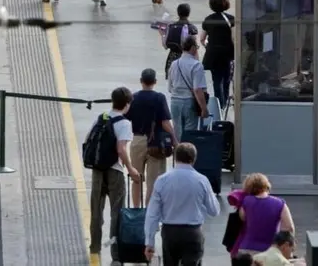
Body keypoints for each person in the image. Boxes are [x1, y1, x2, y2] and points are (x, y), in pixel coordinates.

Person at [143, 142, 220, 265]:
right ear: (194, 159)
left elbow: (152, 214)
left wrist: (149, 242)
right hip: (193, 232)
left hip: (170, 233)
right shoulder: (202, 180)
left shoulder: (162, 180)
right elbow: (214, 210)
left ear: (175, 157)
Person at [88, 87, 139, 260]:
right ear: (127, 104)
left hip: (97, 171)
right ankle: (115, 253)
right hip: (115, 171)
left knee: (96, 210)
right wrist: (131, 169)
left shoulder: (101, 118)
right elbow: (121, 149)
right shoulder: (124, 123)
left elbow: (88, 140)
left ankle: (94, 247)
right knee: (116, 213)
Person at [125, 69, 175, 207]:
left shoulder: (133, 98)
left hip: (137, 141)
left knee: (136, 178)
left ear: (141, 81)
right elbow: (165, 123)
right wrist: (175, 140)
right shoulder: (159, 98)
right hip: (156, 143)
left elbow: (125, 119)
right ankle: (149, 213)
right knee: (154, 181)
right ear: (155, 82)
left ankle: (136, 210)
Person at [232, 173, 295, 256]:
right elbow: (289, 227)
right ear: (267, 186)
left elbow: (243, 217)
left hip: (246, 250)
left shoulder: (246, 201)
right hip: (270, 251)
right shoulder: (280, 203)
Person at [167, 36, 209, 142]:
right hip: (189, 102)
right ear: (193, 47)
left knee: (177, 133)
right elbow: (197, 89)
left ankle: (177, 156)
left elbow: (170, 88)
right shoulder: (196, 65)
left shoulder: (174, 64)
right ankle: (187, 156)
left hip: (175, 102)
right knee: (189, 135)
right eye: (197, 46)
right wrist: (204, 108)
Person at [201, 0, 235, 116]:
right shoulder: (231, 19)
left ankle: (219, 105)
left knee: (217, 79)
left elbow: (202, 39)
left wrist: (208, 46)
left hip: (213, 54)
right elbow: (234, 37)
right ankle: (224, 102)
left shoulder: (208, 19)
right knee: (227, 78)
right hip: (227, 53)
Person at [162, 3, 198, 79]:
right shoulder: (191, 28)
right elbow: (194, 49)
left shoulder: (171, 27)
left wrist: (162, 34)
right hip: (186, 59)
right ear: (189, 13)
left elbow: (165, 45)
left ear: (178, 13)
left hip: (172, 59)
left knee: (173, 85)